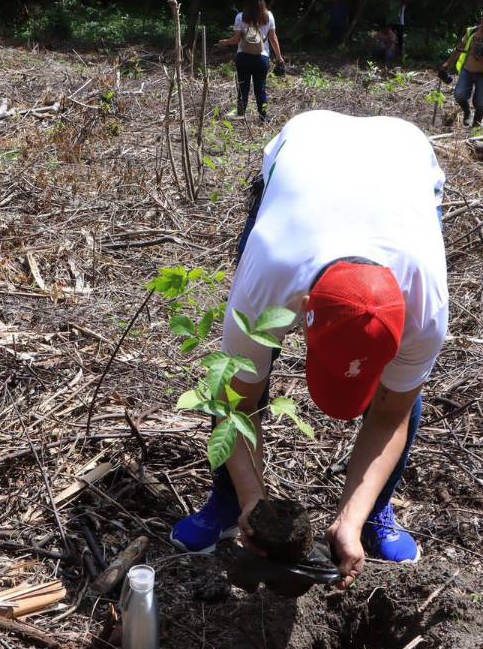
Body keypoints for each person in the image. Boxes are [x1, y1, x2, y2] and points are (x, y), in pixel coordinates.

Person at [171, 110, 447, 590]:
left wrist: (349, 518)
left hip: (404, 160)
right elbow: (234, 400)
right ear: (301, 309)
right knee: (242, 380)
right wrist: (255, 499)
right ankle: (229, 503)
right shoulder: (270, 272)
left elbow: (392, 412)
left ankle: (374, 512)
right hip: (306, 152)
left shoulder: (424, 304)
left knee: (402, 388)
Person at [220, 0, 285, 122]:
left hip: (243, 56)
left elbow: (236, 39)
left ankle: (240, 113)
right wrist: (279, 57)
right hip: (262, 58)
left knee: (243, 86)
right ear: (262, 1)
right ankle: (263, 116)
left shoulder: (240, 17)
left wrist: (225, 42)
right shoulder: (269, 16)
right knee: (260, 88)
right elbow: (273, 38)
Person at [441, 11, 483, 127]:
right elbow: (459, 48)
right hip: (468, 70)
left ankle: (476, 124)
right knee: (459, 95)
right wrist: (448, 63)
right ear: (481, 21)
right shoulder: (472, 32)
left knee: (480, 103)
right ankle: (467, 112)